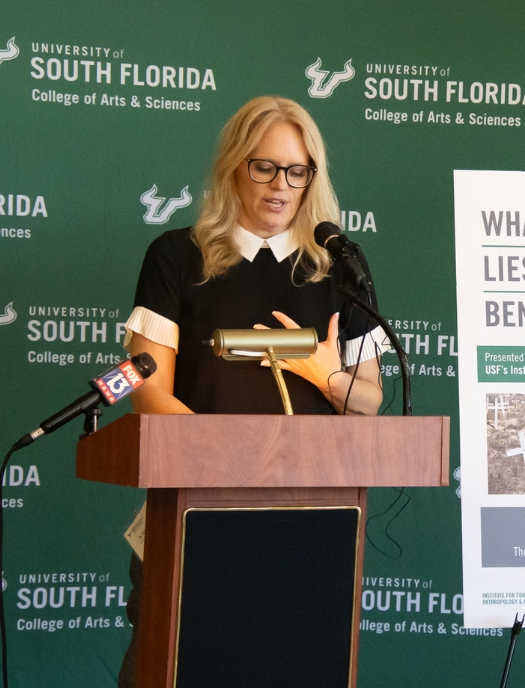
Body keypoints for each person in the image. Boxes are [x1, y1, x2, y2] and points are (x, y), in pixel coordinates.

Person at [118, 95, 388, 686]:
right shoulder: (176, 256)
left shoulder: (339, 268)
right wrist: (231, 460)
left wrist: (323, 374)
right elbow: (148, 394)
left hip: (309, 530)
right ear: (234, 167)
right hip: (192, 519)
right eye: (263, 166)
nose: (280, 185)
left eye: (297, 171)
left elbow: (370, 402)